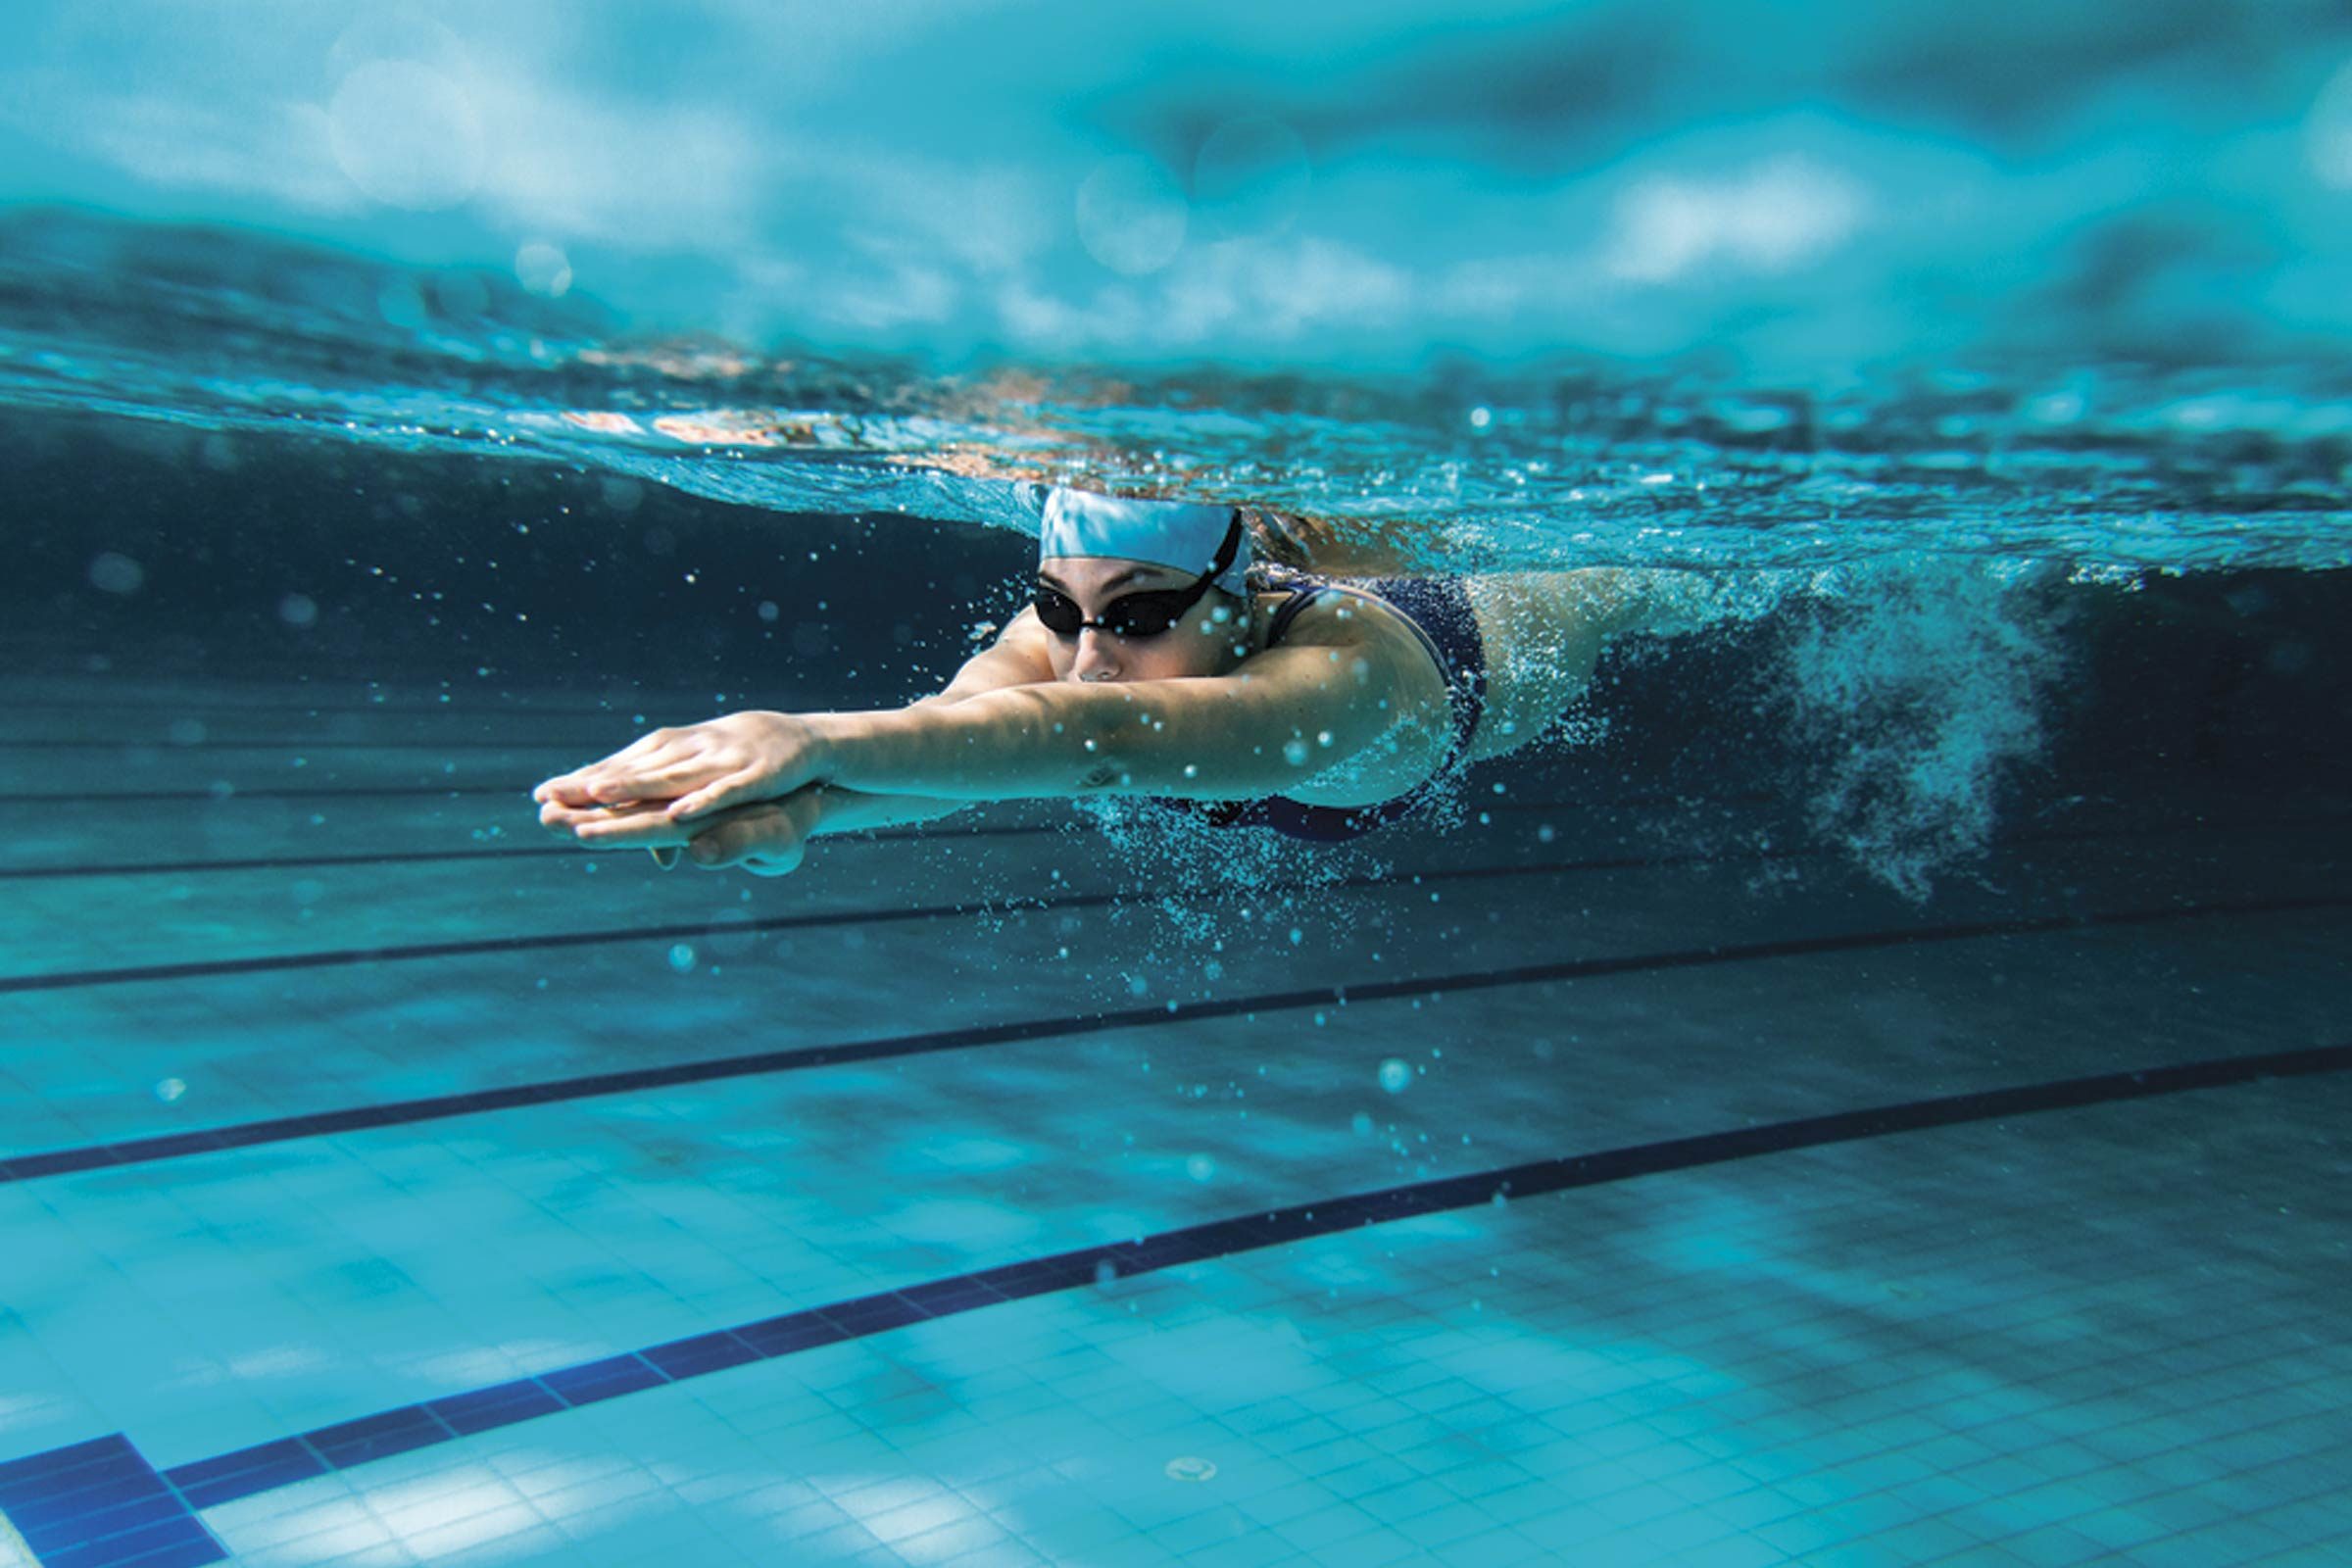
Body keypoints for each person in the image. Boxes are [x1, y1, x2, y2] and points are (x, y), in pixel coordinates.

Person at [533, 484, 1674, 873]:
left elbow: (1104, 741)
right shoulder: (1078, 642)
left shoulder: (1347, 677)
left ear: (1242, 602)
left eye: (1134, 616)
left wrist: (807, 738)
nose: (1085, 656)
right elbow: (959, 740)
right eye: (1057, 608)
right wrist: (805, 819)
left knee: (1655, 581)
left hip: (1507, 627)